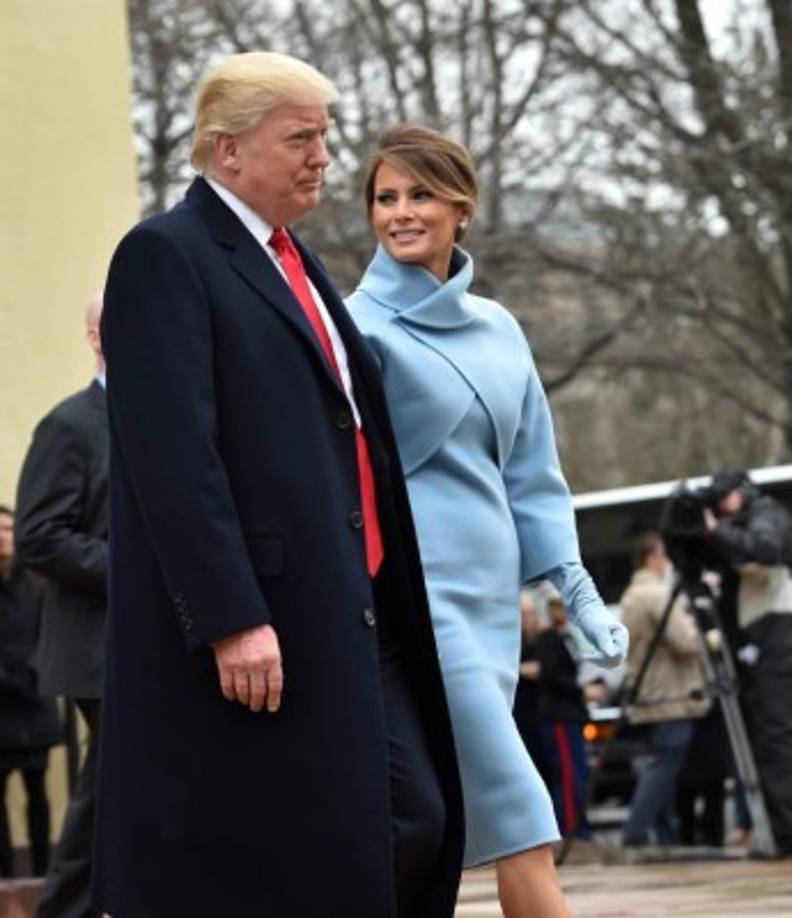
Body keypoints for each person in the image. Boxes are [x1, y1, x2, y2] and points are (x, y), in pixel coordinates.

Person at [94, 53, 463, 917]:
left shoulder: (294, 258)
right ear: (227, 151)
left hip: (353, 604)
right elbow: (172, 457)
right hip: (265, 619)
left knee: (413, 817)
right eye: (300, 138)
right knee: (329, 842)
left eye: (325, 137)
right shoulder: (164, 255)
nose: (323, 157)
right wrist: (230, 616)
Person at [348, 125, 628, 918]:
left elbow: (534, 475)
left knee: (453, 826)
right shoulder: (352, 328)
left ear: (461, 207)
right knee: (521, 813)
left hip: (490, 607)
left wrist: (577, 592)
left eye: (420, 195)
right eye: (385, 198)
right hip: (417, 601)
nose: (400, 213)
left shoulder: (500, 327)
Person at [14, 294, 108, 916]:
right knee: (111, 784)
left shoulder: (166, 418)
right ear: (95, 336)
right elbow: (38, 536)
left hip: (157, 644)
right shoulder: (68, 424)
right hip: (96, 647)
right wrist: (136, 571)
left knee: (126, 785)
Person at [703, 470, 792, 855]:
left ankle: (784, 832)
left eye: (723, 500)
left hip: (776, 631)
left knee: (776, 735)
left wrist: (717, 532)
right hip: (762, 634)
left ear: (742, 494)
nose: (719, 509)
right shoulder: (745, 522)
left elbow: (767, 549)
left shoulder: (765, 513)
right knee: (771, 734)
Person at [619, 533, 710, 847]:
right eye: (664, 555)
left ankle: (662, 835)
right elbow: (686, 642)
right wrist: (708, 635)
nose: (669, 562)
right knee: (663, 768)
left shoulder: (631, 594)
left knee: (657, 764)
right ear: (652, 559)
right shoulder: (656, 594)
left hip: (648, 693)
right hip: (670, 694)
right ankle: (636, 832)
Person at [0, 506, 61, 877]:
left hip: (35, 705)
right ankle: (5, 877)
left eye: (8, 527)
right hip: (2, 710)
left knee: (38, 795)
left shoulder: (37, 584)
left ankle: (44, 872)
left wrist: (37, 673)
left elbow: (49, 635)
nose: (3, 535)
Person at [534, 594, 601, 840]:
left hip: (570, 714)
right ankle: (572, 829)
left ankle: (578, 826)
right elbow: (552, 676)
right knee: (568, 775)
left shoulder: (569, 637)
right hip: (559, 715)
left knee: (577, 773)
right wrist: (582, 690)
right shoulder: (549, 640)